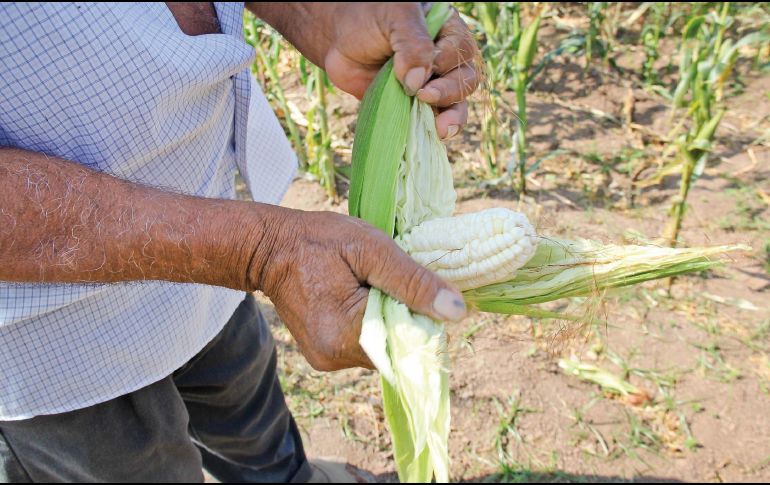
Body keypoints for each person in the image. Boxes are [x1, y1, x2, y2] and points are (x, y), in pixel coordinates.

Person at [0, 2, 478, 482]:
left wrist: (312, 13)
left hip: (213, 251)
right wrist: (259, 253)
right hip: (53, 343)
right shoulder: (254, 251)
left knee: (252, 420)